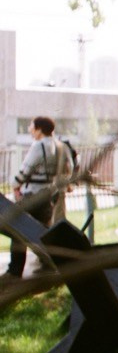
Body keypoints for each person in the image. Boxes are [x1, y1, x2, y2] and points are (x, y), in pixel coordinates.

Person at [6, 116, 68, 279]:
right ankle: (50, 265)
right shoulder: (58, 145)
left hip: (32, 195)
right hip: (47, 194)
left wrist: (15, 185)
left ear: (39, 130)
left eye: (31, 126)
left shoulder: (39, 146)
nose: (29, 129)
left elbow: (26, 170)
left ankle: (14, 271)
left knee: (18, 230)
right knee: (41, 233)